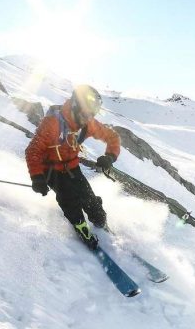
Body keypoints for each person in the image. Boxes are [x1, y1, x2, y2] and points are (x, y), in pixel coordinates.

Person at [25, 85, 122, 250]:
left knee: (89, 198)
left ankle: (100, 221)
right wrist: (37, 177)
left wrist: (109, 157)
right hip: (51, 169)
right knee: (69, 198)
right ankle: (80, 226)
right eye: (85, 114)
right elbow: (33, 151)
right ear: (76, 106)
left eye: (91, 115)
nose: (87, 118)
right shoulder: (53, 123)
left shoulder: (88, 124)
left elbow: (112, 137)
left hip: (72, 166)